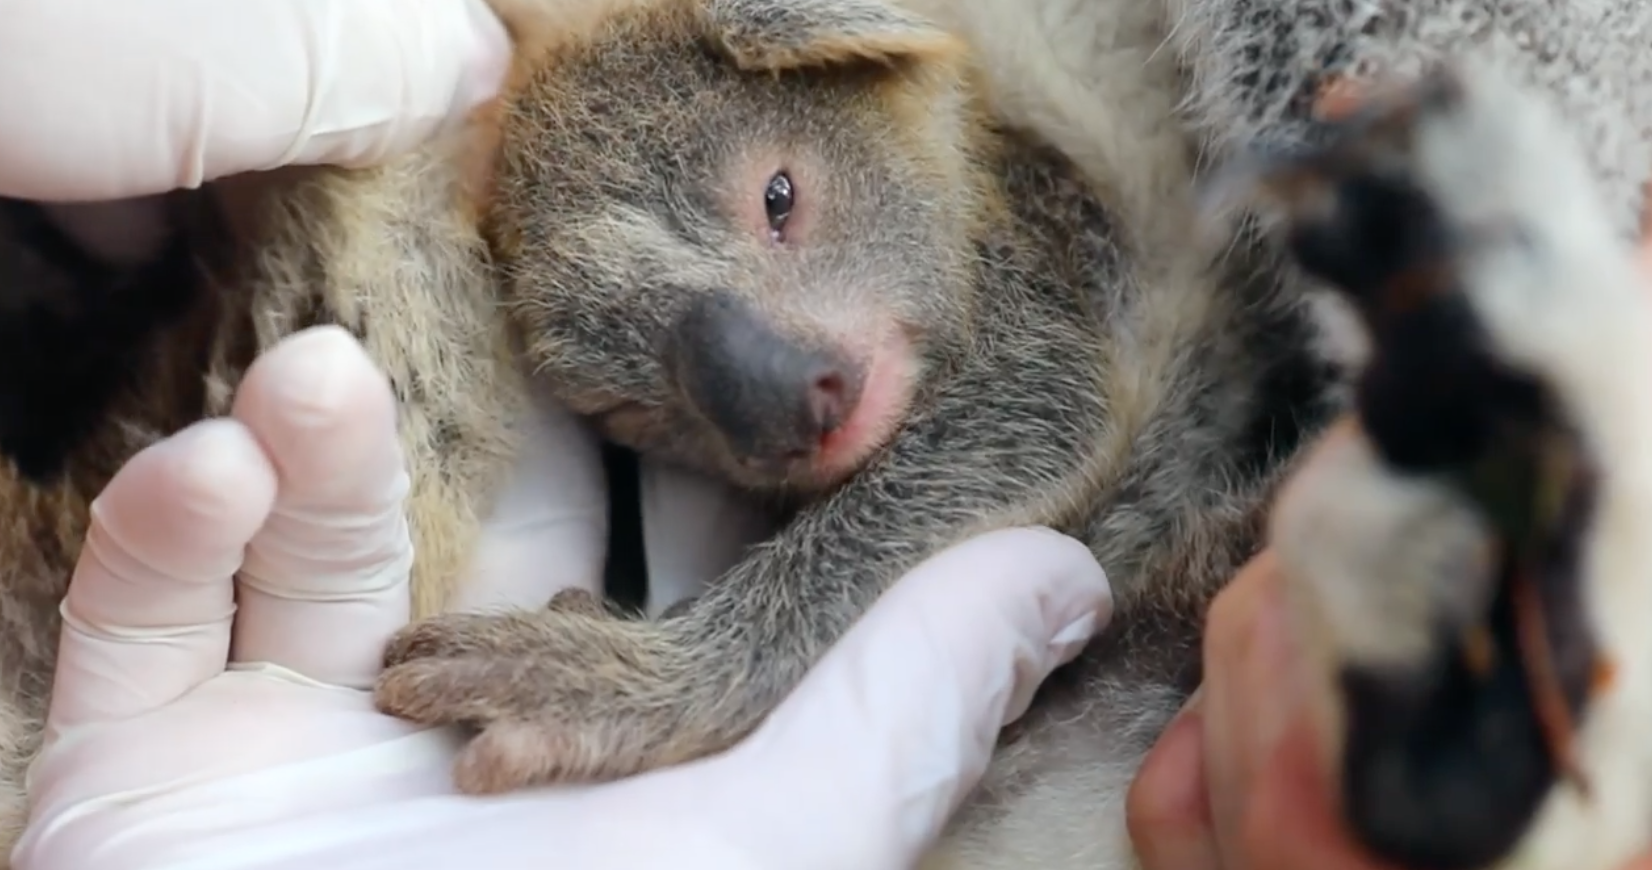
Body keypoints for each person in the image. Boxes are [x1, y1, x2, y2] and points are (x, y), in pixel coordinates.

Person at [4, 2, 1647, 868]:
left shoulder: (962, 183)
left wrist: (701, 667)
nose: (762, 392)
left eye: (780, 208)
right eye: (657, 394)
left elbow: (1056, 399)